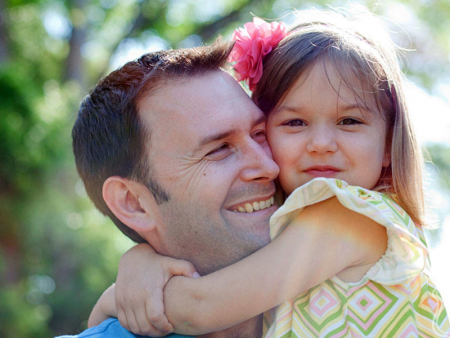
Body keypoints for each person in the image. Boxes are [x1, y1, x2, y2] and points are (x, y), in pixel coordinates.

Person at [90, 7, 450, 338]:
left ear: (388, 145)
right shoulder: (287, 227)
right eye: (295, 122)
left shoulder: (352, 215)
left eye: (350, 121)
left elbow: (203, 307)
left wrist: (117, 297)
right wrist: (141, 261)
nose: (321, 143)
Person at [58, 37, 382, 338]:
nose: (268, 167)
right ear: (134, 204)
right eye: (219, 149)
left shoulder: (353, 230)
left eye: (260, 134)